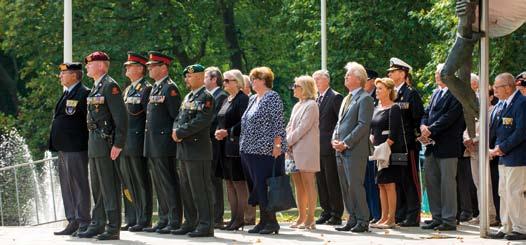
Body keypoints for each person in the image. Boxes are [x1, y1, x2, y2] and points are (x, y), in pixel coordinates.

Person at [79, 51, 127, 240]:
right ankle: (97, 223)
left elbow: (121, 118)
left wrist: (118, 144)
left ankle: (113, 227)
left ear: (100, 65)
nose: (87, 67)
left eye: (90, 64)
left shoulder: (110, 86)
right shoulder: (96, 87)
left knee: (110, 186)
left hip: (107, 143)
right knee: (97, 186)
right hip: (95, 141)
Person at [240, 66, 287, 235]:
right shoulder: (253, 98)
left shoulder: (272, 97)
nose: (252, 82)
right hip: (249, 149)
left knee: (266, 186)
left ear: (264, 80)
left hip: (266, 150)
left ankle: (272, 222)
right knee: (257, 187)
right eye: (252, 79)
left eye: (255, 79)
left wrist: (277, 145)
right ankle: (263, 220)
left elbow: (278, 123)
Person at [420, 64, 465, 231]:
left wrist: (430, 129)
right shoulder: (435, 93)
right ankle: (436, 217)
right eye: (436, 73)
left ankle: (448, 219)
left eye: (440, 73)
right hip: (432, 146)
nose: (436, 76)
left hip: (448, 146)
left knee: (447, 184)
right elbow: (426, 113)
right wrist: (423, 126)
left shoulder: (455, 94)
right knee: (432, 182)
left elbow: (449, 117)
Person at [172, 64, 215, 237]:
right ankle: (190, 222)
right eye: (186, 76)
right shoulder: (188, 96)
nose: (186, 79)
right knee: (186, 188)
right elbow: (179, 117)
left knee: (200, 189)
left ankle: (206, 224)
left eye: (190, 76)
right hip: (183, 149)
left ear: (200, 77)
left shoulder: (206, 96)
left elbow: (202, 120)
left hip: (198, 149)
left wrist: (180, 132)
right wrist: (175, 130)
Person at [142, 51, 182, 234]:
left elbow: (176, 116)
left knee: (168, 182)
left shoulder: (170, 88)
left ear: (163, 67)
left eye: (153, 65)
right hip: (153, 142)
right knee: (159, 182)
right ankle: (164, 217)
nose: (148, 68)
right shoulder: (156, 88)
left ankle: (174, 219)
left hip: (164, 144)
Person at [49, 62, 91, 236]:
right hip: (64, 148)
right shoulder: (66, 93)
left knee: (79, 184)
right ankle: (72, 220)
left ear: (74, 75)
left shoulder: (84, 93)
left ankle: (83, 221)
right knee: (67, 185)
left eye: (64, 73)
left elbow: (87, 121)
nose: (60, 76)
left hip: (76, 147)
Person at [332, 62, 374, 233]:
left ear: (358, 79)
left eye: (348, 75)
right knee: (345, 186)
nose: (345, 77)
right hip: (340, 150)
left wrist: (346, 142)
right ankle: (352, 218)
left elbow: (363, 125)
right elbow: (339, 122)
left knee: (355, 185)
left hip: (354, 150)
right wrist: (334, 139)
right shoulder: (345, 98)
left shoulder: (365, 98)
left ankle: (363, 220)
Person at [387, 57, 424, 227]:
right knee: (400, 179)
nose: (390, 74)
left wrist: (415, 137)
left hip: (408, 144)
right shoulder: (393, 94)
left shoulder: (411, 93)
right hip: (396, 144)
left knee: (410, 179)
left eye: (393, 71)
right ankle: (401, 213)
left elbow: (417, 118)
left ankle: (413, 214)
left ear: (402, 74)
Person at [118, 52, 153, 232]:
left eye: (130, 66)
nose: (126, 68)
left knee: (140, 181)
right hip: (125, 143)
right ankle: (132, 217)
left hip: (138, 142)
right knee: (128, 182)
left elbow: (149, 117)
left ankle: (144, 218)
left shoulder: (146, 89)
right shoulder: (128, 90)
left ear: (140, 69)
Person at [489, 73, 526, 241]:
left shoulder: (522, 103)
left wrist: (501, 148)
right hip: (504, 156)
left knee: (514, 192)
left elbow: (521, 132)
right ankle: (507, 226)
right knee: (503, 191)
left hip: (518, 157)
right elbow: (499, 130)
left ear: (508, 87)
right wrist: (497, 148)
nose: (494, 90)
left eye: (497, 87)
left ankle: (521, 227)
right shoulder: (503, 104)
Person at [214, 69, 250, 231]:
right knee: (228, 182)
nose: (224, 83)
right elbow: (220, 119)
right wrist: (218, 131)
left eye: (228, 80)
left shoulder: (243, 99)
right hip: (223, 145)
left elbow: (245, 123)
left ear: (237, 82)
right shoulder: (227, 99)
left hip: (235, 146)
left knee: (238, 183)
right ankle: (233, 218)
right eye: (224, 81)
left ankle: (240, 218)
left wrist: (227, 132)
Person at [369, 78, 404, 229]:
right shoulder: (376, 108)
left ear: (389, 90)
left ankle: (391, 219)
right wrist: (372, 144)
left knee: (389, 184)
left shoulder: (394, 108)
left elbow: (394, 133)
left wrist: (384, 148)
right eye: (376, 88)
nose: (377, 91)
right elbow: (372, 129)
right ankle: (383, 217)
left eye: (380, 88)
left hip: (389, 151)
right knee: (381, 184)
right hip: (377, 151)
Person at [287, 75, 320, 230]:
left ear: (304, 88)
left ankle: (311, 218)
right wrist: (286, 141)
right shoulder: (297, 105)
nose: (294, 88)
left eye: (296, 86)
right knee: (298, 185)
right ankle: (301, 216)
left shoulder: (312, 105)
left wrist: (288, 141)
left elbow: (303, 128)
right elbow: (290, 125)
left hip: (306, 150)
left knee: (308, 183)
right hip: (293, 150)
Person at [312, 70, 344, 226]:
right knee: (321, 182)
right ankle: (325, 211)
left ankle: (336, 213)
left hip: (329, 146)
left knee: (332, 181)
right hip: (316, 146)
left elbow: (341, 121)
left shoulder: (335, 97)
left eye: (318, 79)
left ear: (326, 80)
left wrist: (337, 140)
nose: (315, 82)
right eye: (314, 79)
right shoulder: (316, 99)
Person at [204, 66, 228, 228]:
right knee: (208, 179)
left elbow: (214, 120)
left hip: (214, 144)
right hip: (205, 143)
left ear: (213, 79)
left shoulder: (221, 96)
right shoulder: (208, 96)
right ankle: (210, 214)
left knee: (214, 179)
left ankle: (217, 216)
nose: (203, 79)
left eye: (206, 77)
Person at [363, 68, 381, 223]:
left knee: (375, 180)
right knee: (366, 181)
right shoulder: (363, 97)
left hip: (375, 143)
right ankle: (369, 213)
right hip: (363, 143)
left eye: (366, 79)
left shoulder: (379, 96)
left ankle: (377, 213)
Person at [241, 73, 256, 225]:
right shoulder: (248, 99)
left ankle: (250, 216)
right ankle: (244, 215)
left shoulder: (249, 99)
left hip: (254, 148)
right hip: (243, 146)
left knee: (249, 183)